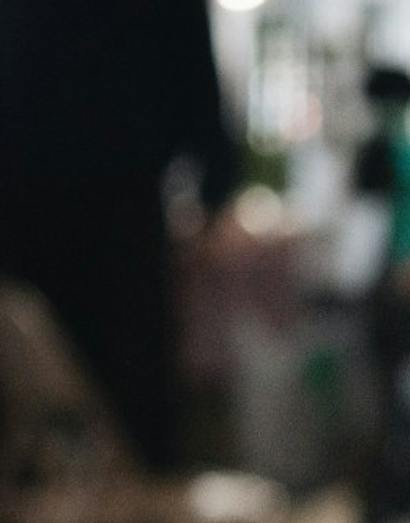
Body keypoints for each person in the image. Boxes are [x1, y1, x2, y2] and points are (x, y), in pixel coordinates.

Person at [0, 0, 238, 474]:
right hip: (113, 227)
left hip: (55, 220)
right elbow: (207, 121)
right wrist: (211, 198)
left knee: (37, 416)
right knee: (127, 417)